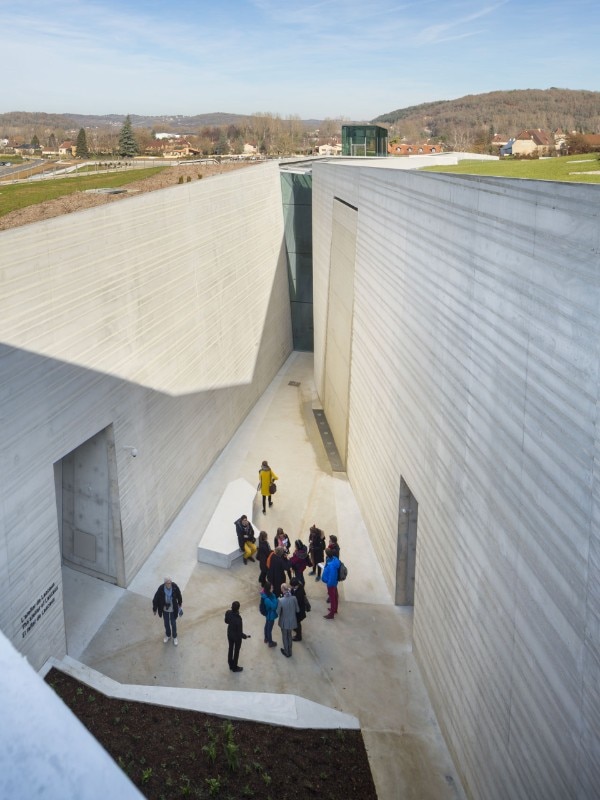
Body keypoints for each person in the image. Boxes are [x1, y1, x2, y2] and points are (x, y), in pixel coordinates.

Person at [152, 576, 183, 646]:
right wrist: (155, 609)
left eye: (170, 583)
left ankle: (174, 637)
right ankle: (168, 635)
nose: (169, 584)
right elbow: (155, 598)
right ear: (165, 583)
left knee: (173, 623)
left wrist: (180, 603)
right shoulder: (161, 588)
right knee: (166, 623)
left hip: (173, 609)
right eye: (167, 583)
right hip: (165, 609)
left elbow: (179, 594)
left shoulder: (174, 587)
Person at [224, 600, 250, 672]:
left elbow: (226, 621)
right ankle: (234, 667)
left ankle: (230, 663)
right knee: (236, 651)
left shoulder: (228, 612)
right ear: (238, 608)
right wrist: (245, 636)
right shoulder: (238, 619)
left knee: (230, 648)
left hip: (229, 634)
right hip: (236, 638)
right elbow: (239, 633)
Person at [277, 584, 299, 658]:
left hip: (284, 622)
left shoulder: (281, 600)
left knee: (284, 636)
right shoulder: (294, 598)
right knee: (289, 635)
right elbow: (297, 610)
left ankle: (286, 652)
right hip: (292, 621)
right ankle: (290, 651)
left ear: (283, 590)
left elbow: (278, 612)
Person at [322, 548, 341, 620]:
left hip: (331, 584)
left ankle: (331, 614)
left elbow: (331, 576)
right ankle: (335, 609)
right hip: (334, 583)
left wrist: (329, 584)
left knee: (332, 599)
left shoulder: (331, 565)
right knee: (335, 596)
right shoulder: (335, 559)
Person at [260, 581, 279, 648]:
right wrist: (276, 599)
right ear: (268, 589)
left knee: (266, 626)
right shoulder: (267, 599)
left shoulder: (266, 594)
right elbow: (274, 607)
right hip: (270, 615)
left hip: (268, 614)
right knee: (269, 629)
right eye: (271, 588)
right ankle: (270, 642)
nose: (272, 589)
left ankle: (266, 638)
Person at [290, 577, 307, 641]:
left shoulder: (299, 592)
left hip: (298, 610)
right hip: (297, 609)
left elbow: (297, 603)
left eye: (292, 586)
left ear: (296, 585)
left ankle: (298, 636)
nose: (291, 587)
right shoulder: (299, 587)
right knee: (296, 622)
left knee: (298, 622)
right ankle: (296, 628)